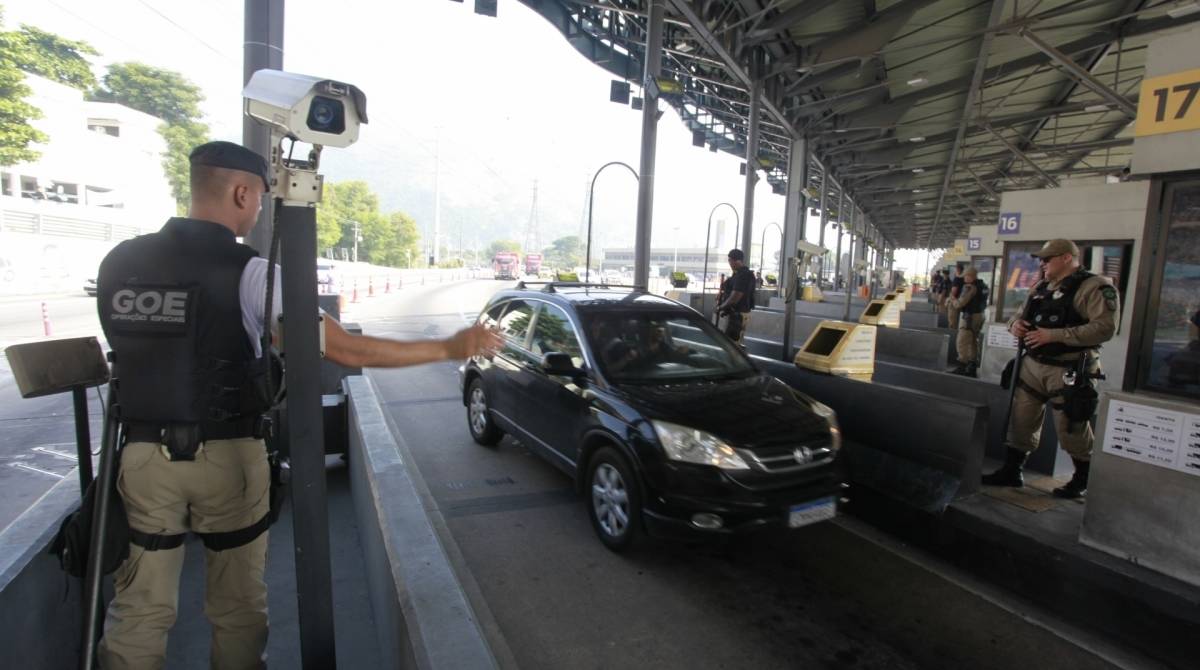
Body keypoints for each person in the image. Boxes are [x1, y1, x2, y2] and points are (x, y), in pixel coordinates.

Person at [94, 141, 500, 670]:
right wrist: (449, 348)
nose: (259, 208)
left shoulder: (118, 263)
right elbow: (343, 348)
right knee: (236, 606)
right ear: (242, 192)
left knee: (139, 608)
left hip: (142, 457)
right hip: (227, 457)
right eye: (260, 197)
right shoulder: (252, 273)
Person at [982, 239, 1118, 499]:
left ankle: (1081, 478)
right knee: (1021, 420)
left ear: (1067, 258)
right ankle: (1013, 470)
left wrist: (1054, 335)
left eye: (1047, 258)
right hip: (1033, 365)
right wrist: (1015, 326)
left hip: (1070, 368)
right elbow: (1016, 316)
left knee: (1071, 424)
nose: (1042, 263)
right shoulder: (1040, 288)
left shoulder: (1095, 287)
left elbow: (1105, 328)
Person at [948, 266, 988, 377]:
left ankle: (962, 366)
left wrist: (952, 298)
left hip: (969, 318)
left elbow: (959, 304)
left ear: (970, 276)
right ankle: (972, 366)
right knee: (972, 342)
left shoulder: (969, 288)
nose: (964, 278)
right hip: (979, 316)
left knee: (962, 341)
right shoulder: (983, 286)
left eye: (965, 276)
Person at [716, 249, 755, 345]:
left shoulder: (743, 275)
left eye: (730, 260)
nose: (729, 263)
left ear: (736, 261)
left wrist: (720, 308)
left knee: (731, 345)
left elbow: (734, 298)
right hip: (736, 315)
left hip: (738, 316)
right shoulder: (739, 274)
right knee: (732, 344)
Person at [946, 266, 965, 331]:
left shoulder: (957, 279)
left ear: (958, 270)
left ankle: (951, 337)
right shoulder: (964, 280)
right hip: (960, 303)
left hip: (954, 303)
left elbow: (954, 292)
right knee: (957, 322)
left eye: (956, 270)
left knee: (952, 322)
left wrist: (948, 300)